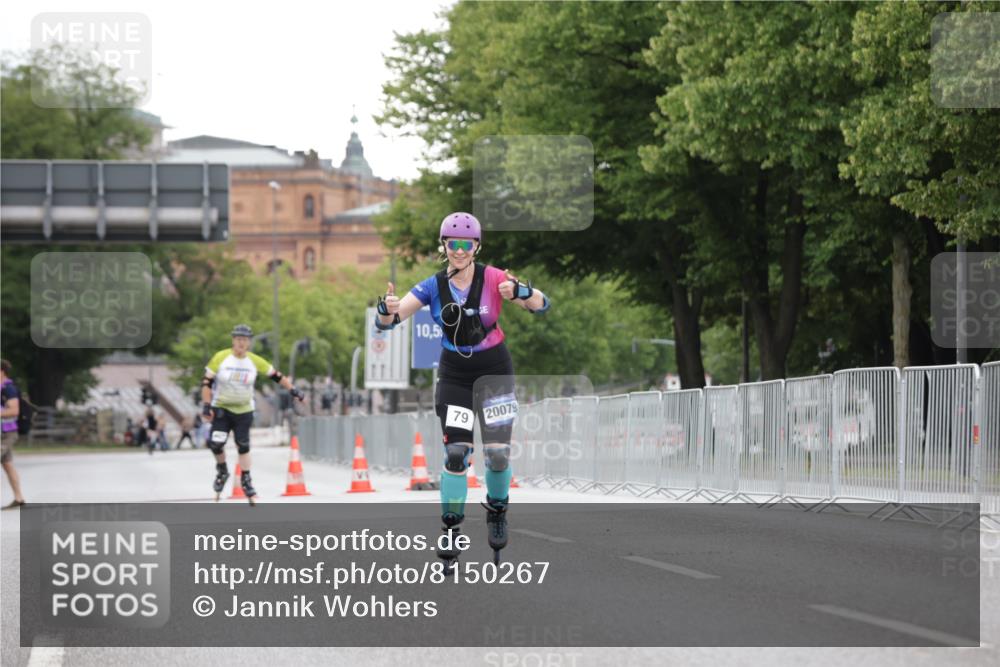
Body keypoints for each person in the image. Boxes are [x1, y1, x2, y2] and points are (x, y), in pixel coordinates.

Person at [375, 211, 550, 566]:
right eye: (452, 244)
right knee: (457, 453)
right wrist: (385, 309)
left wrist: (521, 291)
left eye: (465, 244)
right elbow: (391, 322)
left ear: (476, 246)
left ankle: (497, 511)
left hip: (495, 370)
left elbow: (541, 305)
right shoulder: (431, 286)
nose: (458, 251)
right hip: (455, 373)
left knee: (497, 454)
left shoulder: (494, 278)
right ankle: (451, 527)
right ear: (444, 246)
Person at [201, 324, 305, 503]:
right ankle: (222, 469)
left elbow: (277, 376)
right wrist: (206, 405)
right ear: (233, 340)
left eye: (245, 340)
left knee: (243, 445)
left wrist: (293, 390)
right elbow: (206, 383)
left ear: (249, 343)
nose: (241, 343)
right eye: (238, 339)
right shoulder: (221, 357)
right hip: (222, 408)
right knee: (216, 443)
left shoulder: (254, 361)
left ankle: (246, 479)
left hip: (244, 409)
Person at [1, 360, 26, 510]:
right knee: (7, 465)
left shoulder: (8, 389)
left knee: (7, 464)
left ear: (1, 371)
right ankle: (19, 498)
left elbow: (14, 411)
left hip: (7, 433)